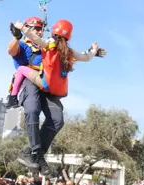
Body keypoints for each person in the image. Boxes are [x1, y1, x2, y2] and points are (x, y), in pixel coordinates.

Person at [7, 17, 106, 175]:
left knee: (57, 119)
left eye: (40, 28)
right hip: (32, 83)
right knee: (32, 109)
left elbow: (78, 56)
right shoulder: (25, 46)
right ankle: (37, 153)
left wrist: (93, 52)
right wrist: (17, 36)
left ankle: (31, 153)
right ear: (28, 28)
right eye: (35, 28)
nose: (39, 31)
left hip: (48, 87)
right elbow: (11, 50)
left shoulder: (57, 47)